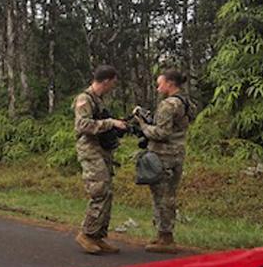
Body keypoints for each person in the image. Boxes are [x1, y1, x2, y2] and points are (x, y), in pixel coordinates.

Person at [134, 69, 192, 254]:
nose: (158, 86)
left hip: (163, 156)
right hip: (177, 153)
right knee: (170, 194)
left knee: (161, 195)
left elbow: (161, 133)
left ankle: (166, 237)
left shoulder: (168, 105)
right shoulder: (186, 102)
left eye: (160, 83)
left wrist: (143, 126)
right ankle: (163, 234)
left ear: (170, 84)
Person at [73, 65, 128, 255]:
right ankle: (87, 233)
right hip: (90, 151)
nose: (113, 86)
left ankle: (98, 235)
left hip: (102, 151)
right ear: (106, 81)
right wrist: (110, 123)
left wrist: (116, 126)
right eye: (113, 82)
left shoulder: (99, 101)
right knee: (99, 191)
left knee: (108, 192)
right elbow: (82, 125)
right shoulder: (84, 99)